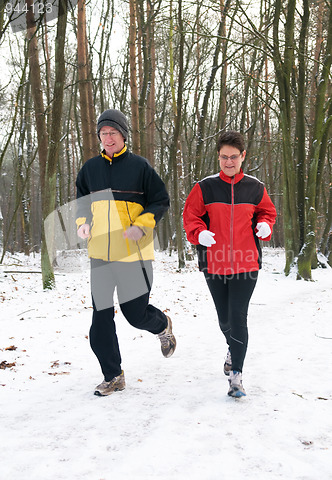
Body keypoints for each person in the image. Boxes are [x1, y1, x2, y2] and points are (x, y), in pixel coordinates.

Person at [76, 109, 176, 396]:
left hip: (135, 255)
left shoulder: (140, 167)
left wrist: (142, 225)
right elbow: (82, 202)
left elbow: (160, 200)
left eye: (113, 132)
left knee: (135, 314)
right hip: (100, 255)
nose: (107, 137)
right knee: (100, 317)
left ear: (123, 135)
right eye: (103, 133)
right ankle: (113, 375)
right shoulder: (90, 169)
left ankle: (162, 325)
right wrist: (83, 223)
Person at [183, 131, 276, 398]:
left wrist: (264, 225)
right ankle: (232, 348)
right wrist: (199, 233)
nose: (228, 162)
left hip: (246, 263)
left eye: (233, 157)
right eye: (224, 157)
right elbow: (191, 216)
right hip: (214, 262)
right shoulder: (205, 187)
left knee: (238, 317)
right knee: (224, 319)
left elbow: (267, 212)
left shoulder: (255, 187)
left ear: (243, 156)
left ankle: (236, 376)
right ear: (218, 156)